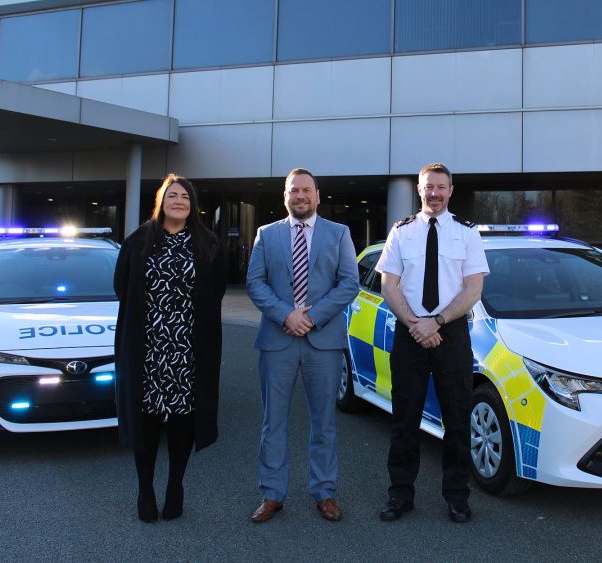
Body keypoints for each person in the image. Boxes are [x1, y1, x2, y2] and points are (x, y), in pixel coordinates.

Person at [375, 163, 489, 523]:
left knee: (456, 420)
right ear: (419, 190)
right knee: (404, 419)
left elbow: (474, 289)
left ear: (451, 190)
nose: (434, 193)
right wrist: (416, 324)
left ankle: (457, 496)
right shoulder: (401, 231)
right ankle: (400, 494)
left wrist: (436, 321)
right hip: (410, 332)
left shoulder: (468, 234)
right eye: (428, 187)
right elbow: (388, 284)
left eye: (441, 187)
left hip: (451, 333)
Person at [245, 168, 359, 523]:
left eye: (306, 190)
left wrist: (311, 317)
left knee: (323, 422)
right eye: (294, 191)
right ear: (285, 196)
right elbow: (255, 281)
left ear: (317, 195)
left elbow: (349, 283)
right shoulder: (267, 234)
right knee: (272, 422)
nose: (300, 196)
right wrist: (285, 315)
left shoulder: (339, 233)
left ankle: (324, 492)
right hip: (277, 340)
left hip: (322, 342)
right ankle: (272, 494)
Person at [114, 174, 227, 522]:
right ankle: (145, 489)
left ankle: (175, 485)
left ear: (192, 205)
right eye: (172, 195)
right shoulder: (138, 242)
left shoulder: (208, 244)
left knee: (182, 422)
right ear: (161, 200)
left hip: (189, 351)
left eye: (185, 197)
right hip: (147, 349)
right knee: (146, 422)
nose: (178, 201)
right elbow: (122, 287)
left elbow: (217, 291)